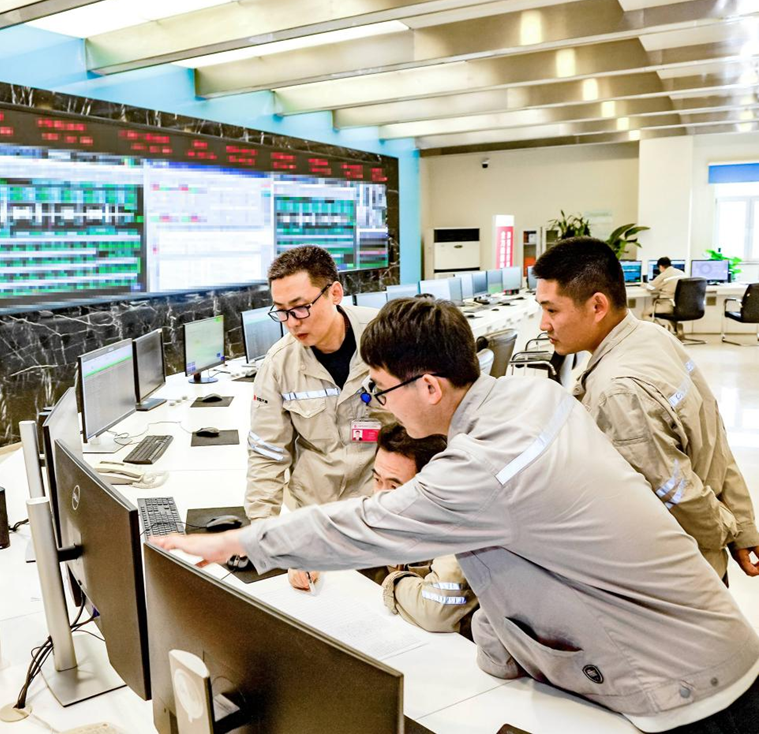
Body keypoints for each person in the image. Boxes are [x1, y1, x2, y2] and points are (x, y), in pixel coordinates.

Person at [155, 298, 759, 733]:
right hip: (711, 639)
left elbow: (364, 526)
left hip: (684, 690)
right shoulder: (532, 393)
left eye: (380, 390)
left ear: (430, 387)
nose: (378, 405)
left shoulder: (482, 470)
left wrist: (239, 541)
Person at [532, 237, 758, 581]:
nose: (543, 324)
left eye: (552, 310)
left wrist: (730, 531)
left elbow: (678, 495)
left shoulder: (619, 392)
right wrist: (742, 524)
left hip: (677, 575)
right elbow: (715, 438)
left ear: (597, 306)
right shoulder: (654, 336)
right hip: (703, 560)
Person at [245, 245, 390, 591]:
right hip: (315, 517)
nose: (292, 322)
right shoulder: (279, 364)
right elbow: (266, 455)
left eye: (301, 308)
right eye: (281, 312)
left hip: (382, 511)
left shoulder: (388, 338)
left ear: (335, 293)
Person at [373, 423, 477, 635]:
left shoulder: (461, 526)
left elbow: (435, 611)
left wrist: (394, 582)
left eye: (394, 487)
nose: (380, 497)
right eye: (376, 479)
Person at [644, 256, 687, 324]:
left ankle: (661, 328)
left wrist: (643, 285)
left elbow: (650, 288)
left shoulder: (663, 275)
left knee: (645, 314)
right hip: (683, 306)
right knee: (671, 316)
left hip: (668, 306)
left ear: (660, 266)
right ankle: (677, 328)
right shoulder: (682, 273)